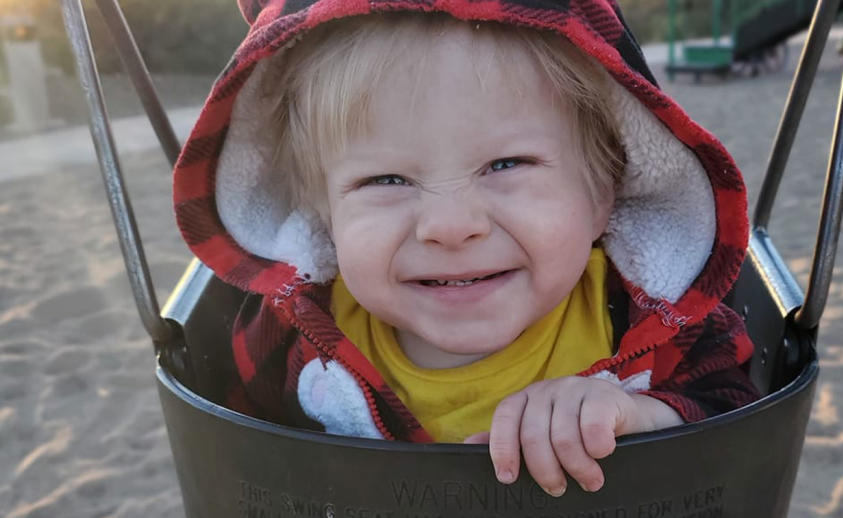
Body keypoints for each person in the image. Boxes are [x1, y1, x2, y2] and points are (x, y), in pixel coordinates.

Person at [172, 0, 760, 498]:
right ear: (325, 214)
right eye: (386, 181)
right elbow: (239, 466)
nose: (450, 227)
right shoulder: (296, 335)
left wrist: (645, 418)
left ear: (602, 192)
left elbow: (744, 415)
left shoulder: (652, 321)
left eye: (507, 164)